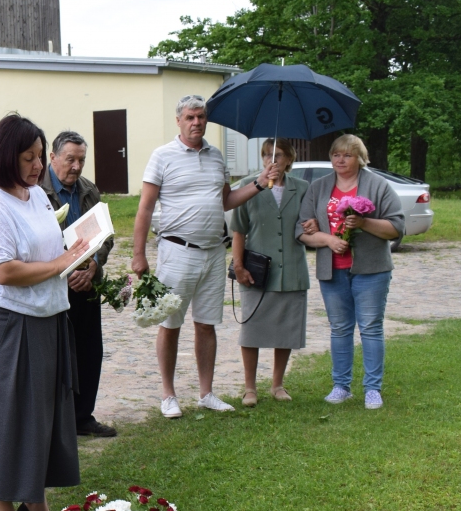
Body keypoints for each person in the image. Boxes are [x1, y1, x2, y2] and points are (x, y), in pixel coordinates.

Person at [0, 114, 89, 511]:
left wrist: (76, 260)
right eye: (29, 157)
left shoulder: (33, 196)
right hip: (7, 323)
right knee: (8, 418)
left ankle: (36, 502)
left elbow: (48, 248)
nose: (37, 165)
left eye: (38, 156)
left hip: (47, 317)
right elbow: (5, 270)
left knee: (44, 416)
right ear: (4, 156)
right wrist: (58, 265)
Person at [131, 95, 278, 418]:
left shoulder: (216, 157)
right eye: (190, 117)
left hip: (213, 252)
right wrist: (138, 254)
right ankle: (168, 394)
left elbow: (226, 200)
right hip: (176, 250)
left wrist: (259, 182)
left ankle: (206, 392)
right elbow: (145, 208)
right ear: (179, 121)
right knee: (170, 323)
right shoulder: (162, 156)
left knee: (206, 324)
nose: (196, 122)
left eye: (201, 116)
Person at [297, 134, 404, 409]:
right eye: (336, 155)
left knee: (369, 327)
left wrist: (364, 223)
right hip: (332, 270)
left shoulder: (378, 185)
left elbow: (396, 227)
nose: (340, 160)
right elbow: (302, 231)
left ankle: (372, 389)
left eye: (347, 155)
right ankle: (341, 386)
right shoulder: (319, 188)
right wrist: (327, 239)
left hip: (371, 269)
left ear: (360, 158)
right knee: (340, 328)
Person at [40, 130, 116, 437]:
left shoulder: (88, 190)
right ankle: (57, 420)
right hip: (55, 283)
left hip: (86, 284)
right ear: (53, 157)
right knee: (57, 354)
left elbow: (106, 236)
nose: (76, 166)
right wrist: (64, 269)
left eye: (81, 160)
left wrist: (94, 266)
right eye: (70, 159)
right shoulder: (37, 191)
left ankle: (83, 416)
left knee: (89, 350)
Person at [229, 138, 311, 406]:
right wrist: (238, 267)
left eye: (277, 155)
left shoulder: (302, 188)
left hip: (291, 270)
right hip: (257, 271)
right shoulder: (248, 186)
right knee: (252, 330)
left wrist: (312, 226)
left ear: (289, 158)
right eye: (266, 155)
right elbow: (238, 230)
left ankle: (278, 384)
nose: (270, 160)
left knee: (285, 329)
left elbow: (308, 224)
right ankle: (249, 388)